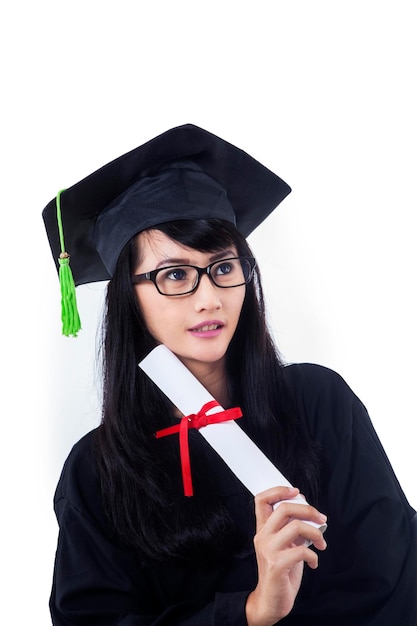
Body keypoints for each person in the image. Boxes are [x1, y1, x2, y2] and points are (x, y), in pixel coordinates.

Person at [43, 124, 417, 626]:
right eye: (174, 274)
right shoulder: (96, 472)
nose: (208, 298)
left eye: (223, 267)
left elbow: (394, 578)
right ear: (128, 297)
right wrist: (252, 611)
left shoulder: (319, 404)